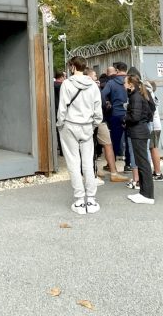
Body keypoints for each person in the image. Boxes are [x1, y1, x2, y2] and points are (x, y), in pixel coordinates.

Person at [55, 56, 103, 214]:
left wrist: (60, 124)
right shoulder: (93, 85)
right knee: (88, 162)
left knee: (73, 163)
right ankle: (91, 199)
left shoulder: (67, 84)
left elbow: (62, 108)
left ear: (72, 67)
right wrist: (94, 124)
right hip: (87, 126)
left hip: (70, 124)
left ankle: (79, 201)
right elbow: (98, 110)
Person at [123, 74, 155, 204]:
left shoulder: (136, 96)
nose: (123, 84)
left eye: (125, 82)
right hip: (140, 131)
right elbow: (149, 112)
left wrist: (124, 118)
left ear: (131, 84)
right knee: (142, 162)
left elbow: (135, 116)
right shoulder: (139, 95)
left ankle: (147, 195)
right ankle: (143, 192)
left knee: (143, 163)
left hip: (138, 132)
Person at [101, 62, 130, 172]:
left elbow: (102, 95)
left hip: (116, 114)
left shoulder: (111, 83)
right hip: (130, 114)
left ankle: (111, 165)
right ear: (126, 70)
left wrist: (107, 106)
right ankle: (128, 164)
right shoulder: (131, 81)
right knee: (129, 140)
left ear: (117, 70)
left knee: (114, 141)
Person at [145, 80, 163, 182]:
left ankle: (158, 173)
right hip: (156, 126)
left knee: (153, 148)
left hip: (153, 126)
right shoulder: (154, 96)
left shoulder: (150, 95)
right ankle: (157, 172)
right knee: (153, 148)